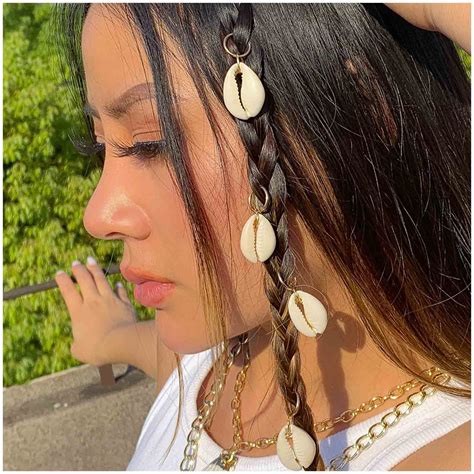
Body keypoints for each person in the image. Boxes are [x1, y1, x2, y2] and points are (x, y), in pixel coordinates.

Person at [53, 3, 470, 471]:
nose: (98, 216)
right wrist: (109, 337)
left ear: (361, 111)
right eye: (100, 146)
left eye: (152, 142)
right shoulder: (212, 360)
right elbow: (153, 350)